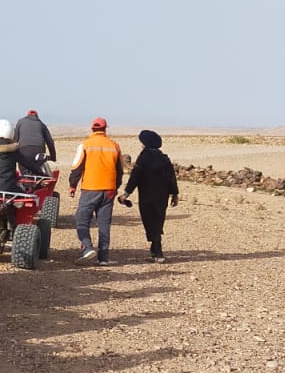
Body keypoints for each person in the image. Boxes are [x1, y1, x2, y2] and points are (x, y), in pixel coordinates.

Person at [68, 117, 123, 265]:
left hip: (91, 189)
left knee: (81, 219)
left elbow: (76, 167)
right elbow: (120, 170)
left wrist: (72, 185)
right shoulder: (114, 146)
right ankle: (103, 258)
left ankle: (86, 246)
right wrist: (116, 187)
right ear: (105, 129)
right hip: (109, 190)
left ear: (92, 129)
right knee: (104, 223)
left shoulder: (85, 145)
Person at [119, 129, 179, 261]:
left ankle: (157, 251)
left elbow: (135, 177)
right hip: (162, 197)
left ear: (146, 144)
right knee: (158, 220)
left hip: (147, 196)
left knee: (149, 221)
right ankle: (155, 248)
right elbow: (171, 177)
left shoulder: (143, 158)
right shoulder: (164, 158)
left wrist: (126, 194)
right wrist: (174, 194)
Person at [13, 109, 56, 176]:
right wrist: (53, 157)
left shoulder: (20, 122)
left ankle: (25, 181)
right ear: (37, 116)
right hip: (39, 151)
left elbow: (15, 140)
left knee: (24, 172)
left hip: (23, 151)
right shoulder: (41, 124)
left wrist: (13, 156)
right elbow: (50, 142)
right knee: (38, 170)